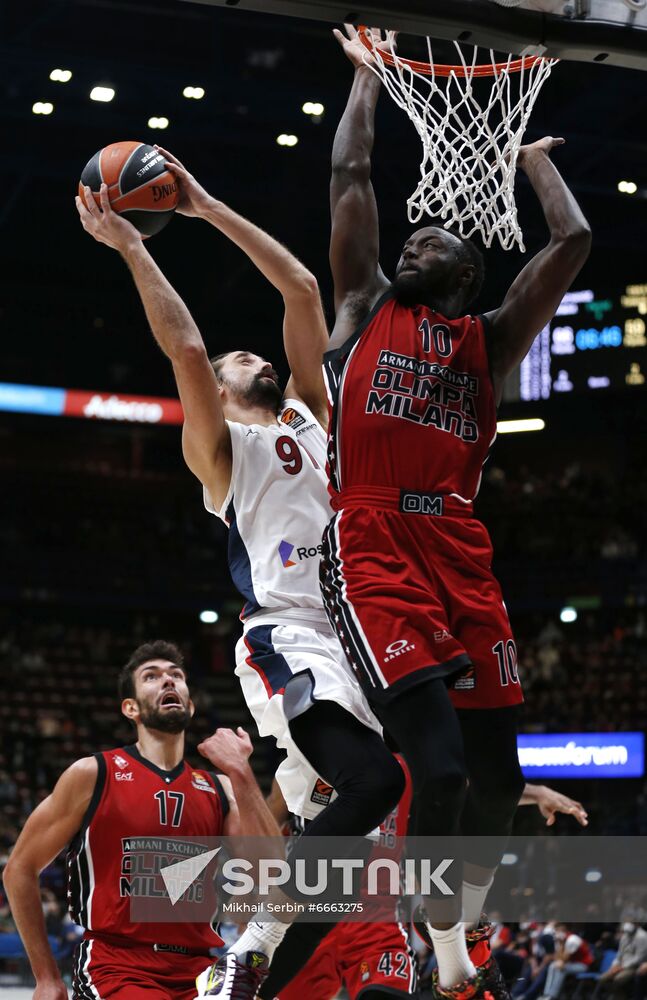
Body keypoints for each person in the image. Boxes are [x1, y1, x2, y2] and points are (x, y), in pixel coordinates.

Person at [74, 157, 405, 1000]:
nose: (247, 354)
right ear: (216, 395)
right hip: (289, 635)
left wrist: (205, 205)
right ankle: (255, 944)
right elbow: (184, 344)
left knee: (355, 854)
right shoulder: (221, 454)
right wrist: (129, 246)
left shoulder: (308, 414)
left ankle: (242, 978)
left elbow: (298, 288)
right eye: (234, 359)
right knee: (373, 789)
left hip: (363, 635)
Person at [323, 23, 591, 1000]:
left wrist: (528, 163)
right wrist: (363, 80)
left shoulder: (489, 335)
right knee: (432, 769)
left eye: (432, 238)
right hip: (373, 537)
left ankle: (451, 932)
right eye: (411, 235)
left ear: (467, 272)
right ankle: (428, 938)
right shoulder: (361, 306)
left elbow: (570, 240)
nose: (413, 239)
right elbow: (351, 178)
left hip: (459, 548)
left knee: (494, 769)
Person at [2, 639, 280, 1000]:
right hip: (117, 964)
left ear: (191, 704)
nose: (168, 681)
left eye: (176, 676)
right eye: (152, 676)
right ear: (130, 707)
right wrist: (46, 978)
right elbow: (19, 868)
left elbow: (272, 871)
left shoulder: (219, 786)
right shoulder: (93, 773)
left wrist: (242, 772)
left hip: (199, 969)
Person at [538, 923, 594, 1000]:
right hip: (572, 963)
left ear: (566, 930)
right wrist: (560, 944)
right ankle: (546, 993)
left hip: (583, 965)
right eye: (556, 931)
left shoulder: (572, 939)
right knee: (553, 965)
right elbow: (557, 958)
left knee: (561, 969)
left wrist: (561, 945)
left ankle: (552, 996)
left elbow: (564, 959)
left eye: (560, 930)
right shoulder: (560, 940)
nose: (557, 933)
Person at [592, 925, 647, 1000]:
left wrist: (622, 967)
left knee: (618, 979)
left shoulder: (642, 939)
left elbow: (639, 958)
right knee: (602, 979)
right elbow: (619, 955)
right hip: (620, 965)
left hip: (632, 966)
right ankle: (620, 995)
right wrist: (614, 966)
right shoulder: (624, 939)